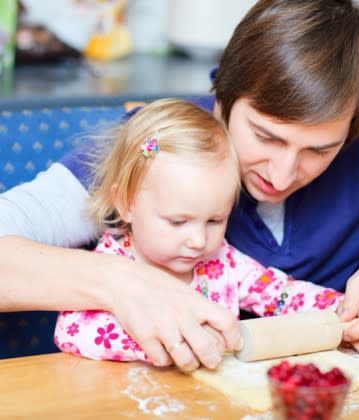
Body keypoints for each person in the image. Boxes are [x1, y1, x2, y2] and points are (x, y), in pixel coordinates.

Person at [0, 0, 359, 369]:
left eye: (320, 151)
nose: (282, 173)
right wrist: (118, 282)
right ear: (222, 94)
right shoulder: (160, 151)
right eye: (265, 136)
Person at [54, 98, 341, 366]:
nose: (199, 241)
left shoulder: (222, 262)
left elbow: (281, 294)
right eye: (178, 222)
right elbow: (71, 332)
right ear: (126, 203)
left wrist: (340, 308)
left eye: (215, 220)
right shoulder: (111, 265)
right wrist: (173, 339)